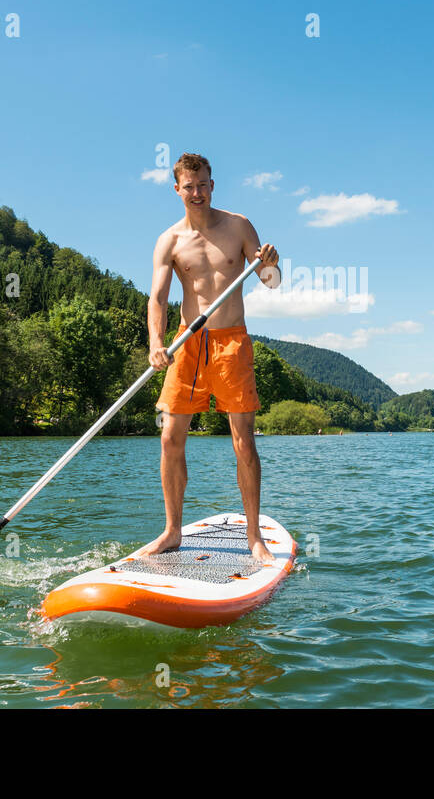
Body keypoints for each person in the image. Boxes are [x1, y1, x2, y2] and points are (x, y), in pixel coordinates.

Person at [145, 153, 281, 562]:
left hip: (231, 344)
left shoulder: (238, 226)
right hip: (186, 344)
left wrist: (271, 264)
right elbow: (157, 298)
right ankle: (171, 532)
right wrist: (156, 342)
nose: (197, 192)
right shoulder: (169, 240)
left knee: (243, 442)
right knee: (170, 438)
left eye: (203, 184)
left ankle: (254, 537)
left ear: (213, 184)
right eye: (189, 186)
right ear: (177, 190)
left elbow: (270, 282)